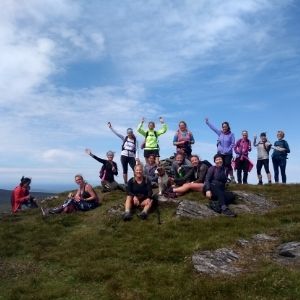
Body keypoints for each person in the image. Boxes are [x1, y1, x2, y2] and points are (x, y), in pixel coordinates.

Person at [205, 118, 236, 183]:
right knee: (220, 165)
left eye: (225, 126)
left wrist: (228, 150)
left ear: (228, 127)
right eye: (223, 127)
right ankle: (224, 178)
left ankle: (232, 178)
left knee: (227, 164)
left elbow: (233, 143)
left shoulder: (231, 134)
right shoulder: (220, 133)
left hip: (228, 153)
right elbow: (213, 128)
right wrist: (208, 122)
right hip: (220, 152)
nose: (224, 128)